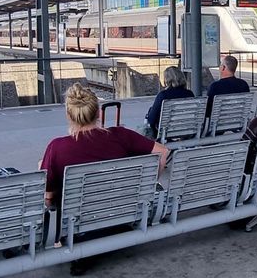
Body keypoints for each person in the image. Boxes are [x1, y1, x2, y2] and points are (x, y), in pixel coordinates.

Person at [39, 83, 169, 275]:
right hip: (122, 216)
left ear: (69, 115)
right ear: (99, 112)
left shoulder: (57, 148)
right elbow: (163, 152)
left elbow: (48, 197)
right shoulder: (121, 135)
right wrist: (148, 187)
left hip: (78, 225)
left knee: (44, 169)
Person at [146, 66, 194, 136]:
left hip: (166, 133)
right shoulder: (190, 94)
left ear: (167, 80)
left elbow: (151, 120)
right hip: (186, 131)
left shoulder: (163, 95)